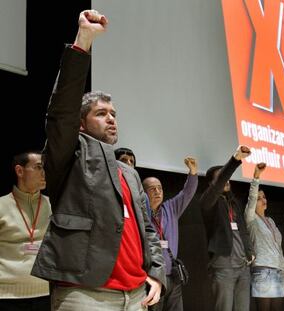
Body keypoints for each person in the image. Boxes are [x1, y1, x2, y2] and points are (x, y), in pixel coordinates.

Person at [31, 10, 166, 310]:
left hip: (135, 296)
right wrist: (84, 42)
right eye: (101, 113)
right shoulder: (70, 154)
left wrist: (156, 273)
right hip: (85, 295)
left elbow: (147, 229)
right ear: (81, 123)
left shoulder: (128, 173)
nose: (111, 119)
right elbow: (62, 112)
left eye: (114, 114)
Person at [200, 145, 254, 311]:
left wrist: (249, 251)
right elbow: (218, 185)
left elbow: (243, 229)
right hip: (224, 267)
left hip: (243, 266)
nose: (227, 180)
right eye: (222, 178)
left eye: (228, 178)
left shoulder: (233, 203)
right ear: (212, 184)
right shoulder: (207, 202)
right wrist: (234, 160)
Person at [143, 157, 198, 311]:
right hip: (153, 278)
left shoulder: (170, 208)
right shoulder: (140, 213)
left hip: (173, 276)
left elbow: (187, 193)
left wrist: (193, 172)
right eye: (152, 188)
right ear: (143, 193)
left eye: (159, 188)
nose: (157, 191)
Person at [0, 151, 52, 310]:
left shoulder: (54, 205)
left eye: (45, 167)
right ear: (20, 171)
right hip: (7, 296)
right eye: (38, 167)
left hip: (47, 294)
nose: (44, 173)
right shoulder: (1, 205)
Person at [244, 163, 284, 311]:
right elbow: (251, 200)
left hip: (278, 269)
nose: (263, 200)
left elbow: (278, 246)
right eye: (259, 197)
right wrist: (256, 177)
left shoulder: (271, 221)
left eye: (264, 197)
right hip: (262, 269)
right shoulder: (251, 218)